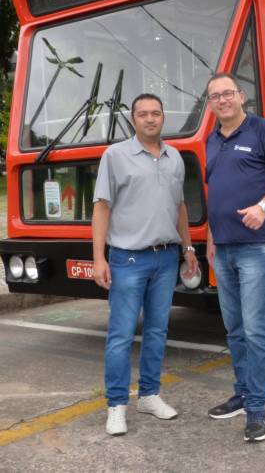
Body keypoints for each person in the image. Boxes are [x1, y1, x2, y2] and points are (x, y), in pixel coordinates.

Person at [92, 93, 199, 436]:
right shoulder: (115, 156)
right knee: (121, 336)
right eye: (143, 114)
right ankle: (116, 405)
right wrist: (98, 259)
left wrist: (188, 247)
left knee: (157, 331)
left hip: (167, 258)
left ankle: (150, 395)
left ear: (162, 117)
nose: (150, 119)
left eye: (155, 113)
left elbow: (180, 206)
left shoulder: (175, 158)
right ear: (133, 120)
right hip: (128, 259)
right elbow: (102, 208)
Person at [203, 73, 265, 442]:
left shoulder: (262, 130)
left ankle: (257, 409)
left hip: (258, 246)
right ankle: (242, 394)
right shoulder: (211, 140)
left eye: (227, 93)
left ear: (241, 96)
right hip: (222, 249)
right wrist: (210, 239)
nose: (222, 100)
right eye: (214, 97)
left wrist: (263, 206)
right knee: (235, 329)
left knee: (256, 331)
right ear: (210, 104)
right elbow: (217, 195)